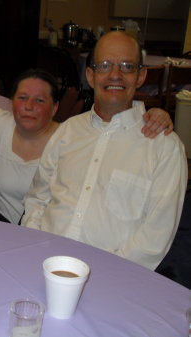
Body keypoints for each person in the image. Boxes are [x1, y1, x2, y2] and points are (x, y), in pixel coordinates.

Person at [21, 32, 188, 270]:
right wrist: (35, 245)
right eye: (105, 65)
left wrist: (104, 274)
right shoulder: (68, 131)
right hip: (41, 261)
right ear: (90, 75)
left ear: (140, 76)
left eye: (127, 66)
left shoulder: (164, 147)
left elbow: (155, 237)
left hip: (111, 279)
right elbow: (38, 197)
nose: (115, 75)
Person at [0, 69, 174, 225]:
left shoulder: (72, 138)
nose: (28, 106)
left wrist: (154, 116)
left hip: (50, 238)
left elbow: (118, 138)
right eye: (22, 98)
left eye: (39, 100)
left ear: (55, 107)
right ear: (11, 102)